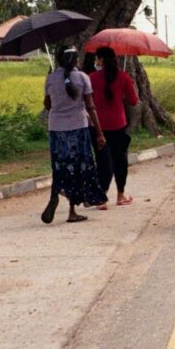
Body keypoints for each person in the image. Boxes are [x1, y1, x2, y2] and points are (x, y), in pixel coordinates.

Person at [41, 47, 107, 223]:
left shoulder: (51, 78)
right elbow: (91, 107)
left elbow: (48, 105)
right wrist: (99, 133)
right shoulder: (83, 78)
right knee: (78, 167)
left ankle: (56, 192)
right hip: (78, 128)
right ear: (76, 60)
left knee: (60, 165)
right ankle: (72, 211)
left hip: (56, 129)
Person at [88, 46, 138, 206]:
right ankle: (120, 195)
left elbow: (87, 102)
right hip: (118, 125)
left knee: (102, 161)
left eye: (96, 58)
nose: (95, 61)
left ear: (101, 60)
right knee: (120, 161)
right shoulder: (123, 77)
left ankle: (101, 198)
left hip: (97, 127)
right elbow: (133, 101)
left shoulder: (91, 78)